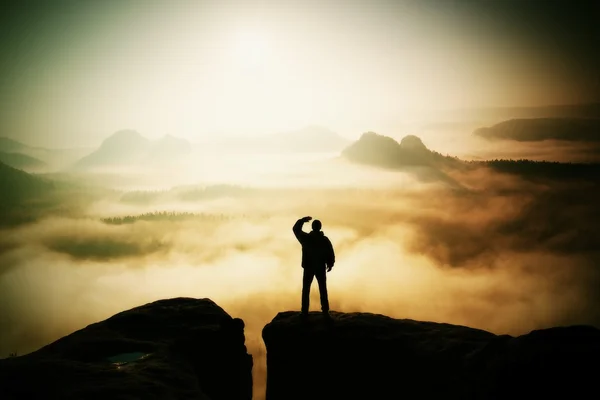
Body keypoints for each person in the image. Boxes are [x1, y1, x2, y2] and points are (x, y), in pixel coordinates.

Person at [292, 216, 335, 317]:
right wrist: (330, 263)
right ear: (320, 227)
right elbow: (330, 252)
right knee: (322, 289)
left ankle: (304, 311)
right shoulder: (324, 240)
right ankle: (325, 310)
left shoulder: (306, 238)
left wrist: (301, 221)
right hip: (319, 266)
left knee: (306, 289)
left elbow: (296, 229)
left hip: (309, 267)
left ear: (312, 227)